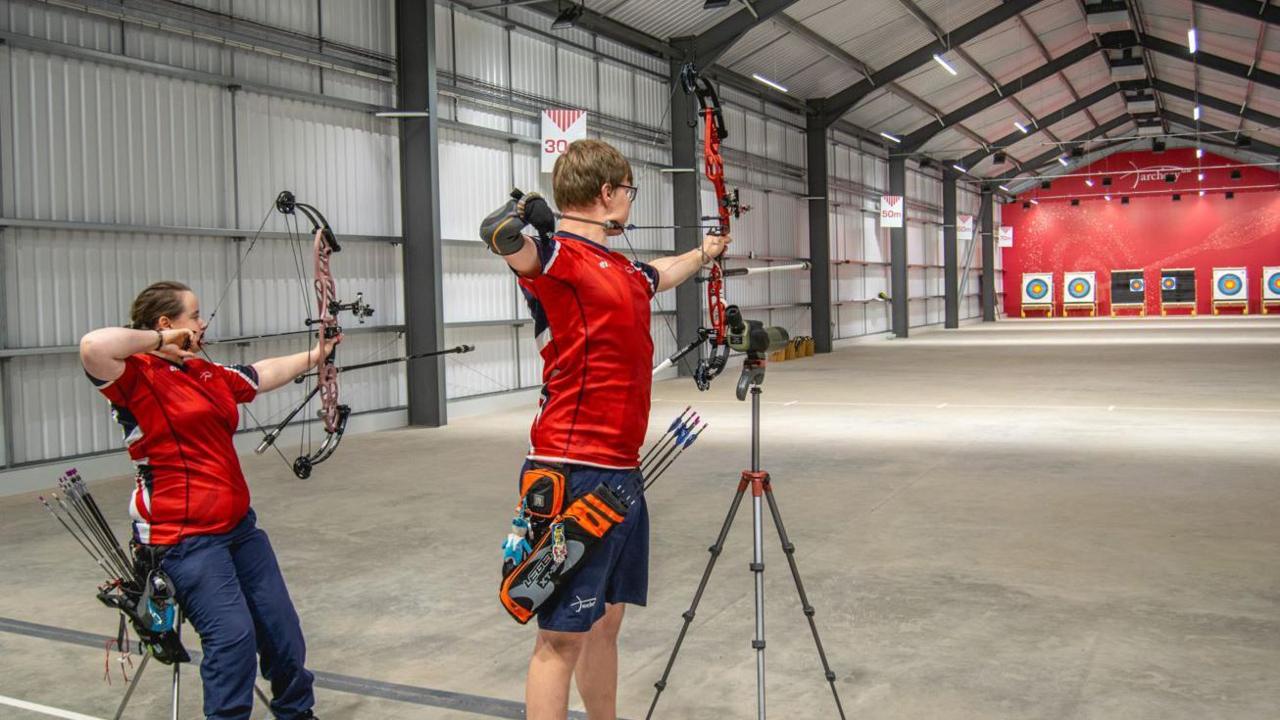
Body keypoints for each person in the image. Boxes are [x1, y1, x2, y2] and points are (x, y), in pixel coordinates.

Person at [480, 139, 731, 719]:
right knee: (560, 637)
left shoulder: (623, 269)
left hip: (621, 470)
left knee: (605, 621)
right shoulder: (553, 259)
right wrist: (532, 215)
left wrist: (705, 252)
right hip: (570, 469)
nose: (630, 200)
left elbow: (660, 272)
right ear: (607, 194)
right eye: (628, 190)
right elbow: (499, 233)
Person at [79, 281, 334, 720]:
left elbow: (261, 373)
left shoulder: (206, 372)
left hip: (239, 529)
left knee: (282, 630)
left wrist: (318, 354)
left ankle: (297, 713)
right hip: (183, 539)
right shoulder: (135, 377)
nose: (202, 324)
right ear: (166, 324)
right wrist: (162, 343)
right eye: (194, 316)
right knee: (232, 639)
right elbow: (93, 346)